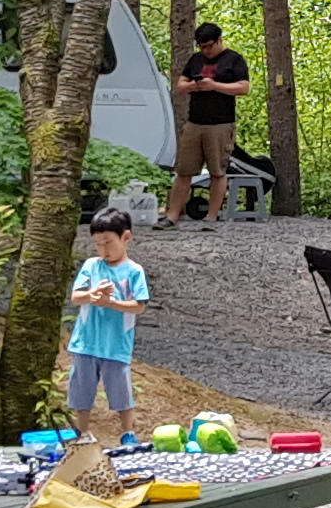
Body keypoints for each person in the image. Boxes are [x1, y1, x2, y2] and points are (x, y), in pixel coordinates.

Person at [64, 211, 151, 444]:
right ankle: (81, 434)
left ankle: (128, 433)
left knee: (121, 390)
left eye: (109, 242)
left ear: (126, 238)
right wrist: (93, 295)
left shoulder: (134, 271)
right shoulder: (91, 265)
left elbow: (139, 306)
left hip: (116, 342)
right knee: (81, 389)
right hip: (86, 340)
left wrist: (111, 302)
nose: (104, 249)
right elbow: (76, 297)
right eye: (98, 244)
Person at [164, 22, 250, 229]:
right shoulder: (195, 60)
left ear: (219, 40)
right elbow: (180, 86)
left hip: (220, 124)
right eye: (202, 46)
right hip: (195, 123)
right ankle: (172, 216)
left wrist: (214, 86)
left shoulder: (234, 59)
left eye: (209, 46)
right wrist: (195, 86)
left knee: (217, 171)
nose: (206, 50)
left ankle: (211, 217)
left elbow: (243, 87)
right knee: (184, 171)